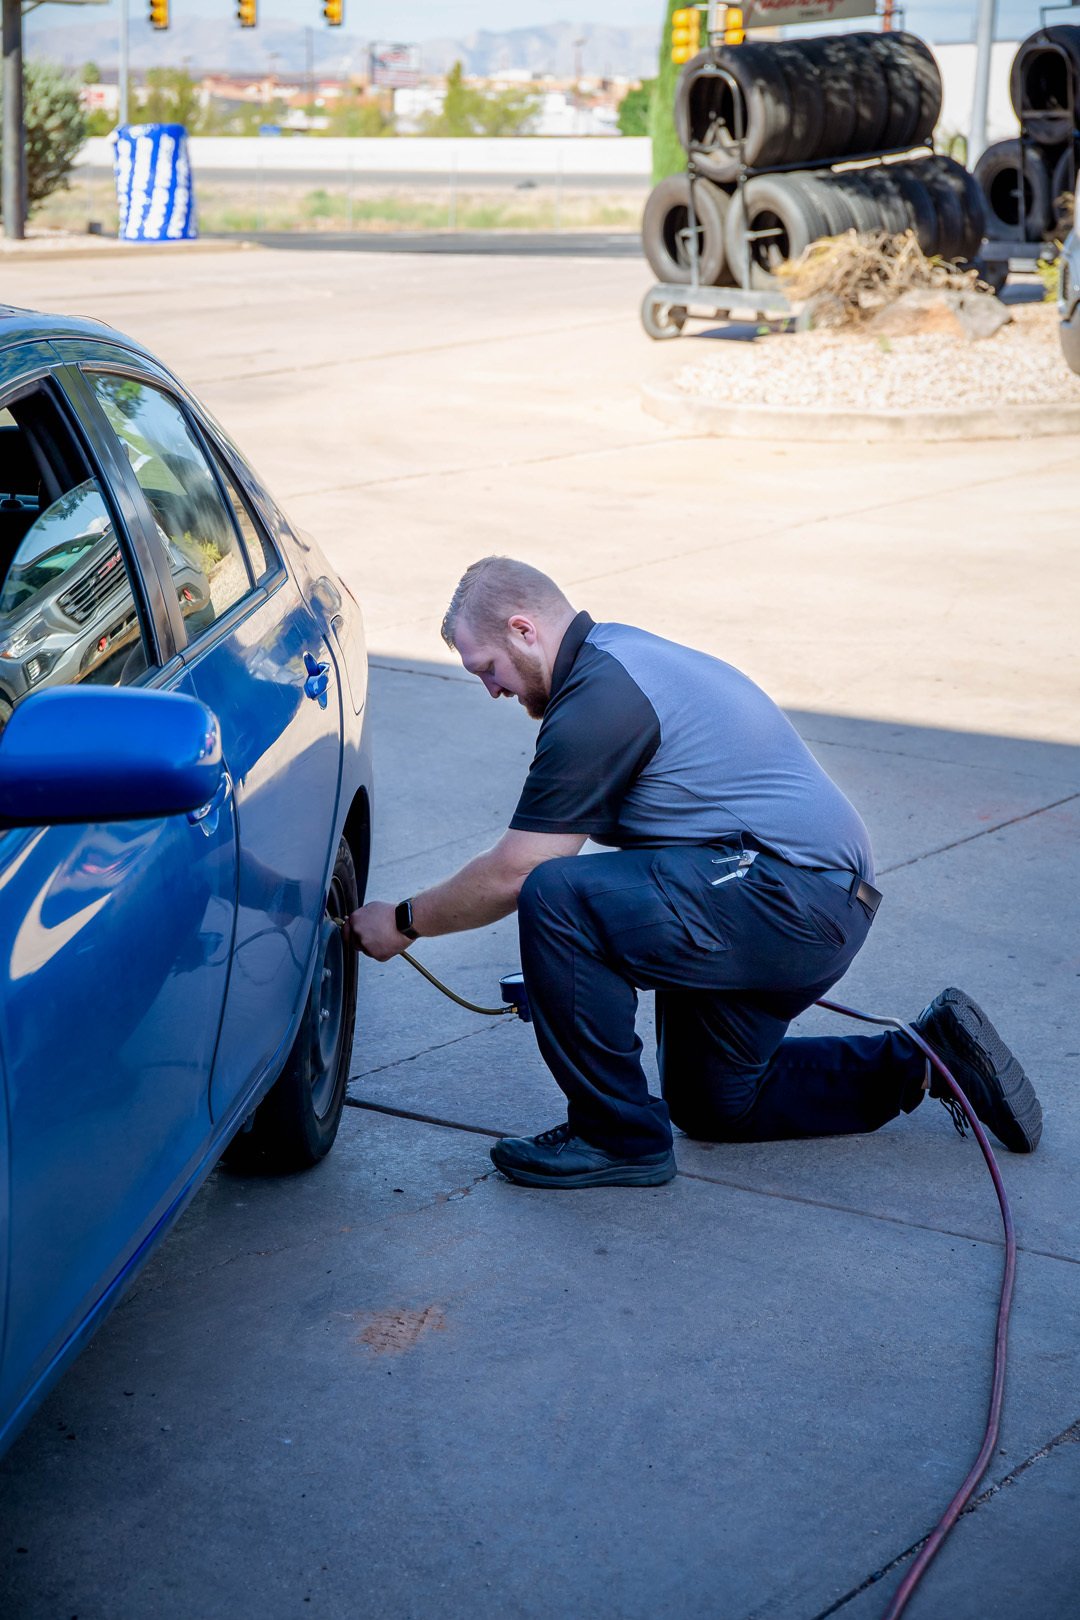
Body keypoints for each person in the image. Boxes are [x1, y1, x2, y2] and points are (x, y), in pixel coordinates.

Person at [345, 557, 1042, 1190]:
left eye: (485, 667)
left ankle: (614, 1138)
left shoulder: (601, 696)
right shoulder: (617, 659)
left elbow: (517, 870)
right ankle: (926, 1059)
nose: (490, 689)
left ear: (524, 629)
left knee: (558, 894)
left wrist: (403, 921)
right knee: (716, 1105)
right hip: (786, 898)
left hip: (791, 897)